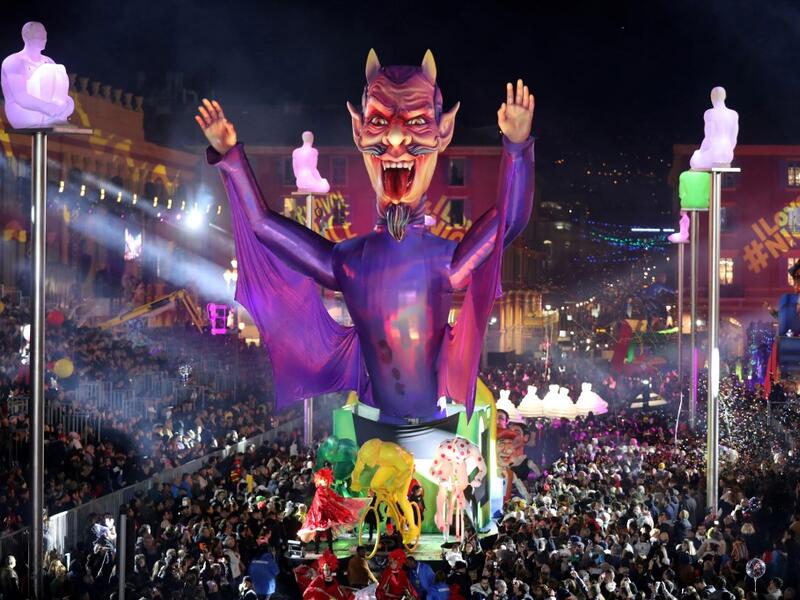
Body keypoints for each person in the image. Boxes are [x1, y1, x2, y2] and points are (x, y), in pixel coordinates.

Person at [297, 468, 366, 552]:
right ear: (319, 480)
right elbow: (320, 503)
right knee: (318, 533)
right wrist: (333, 505)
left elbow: (336, 498)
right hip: (319, 516)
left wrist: (346, 501)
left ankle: (330, 549)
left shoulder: (328, 490)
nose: (325, 481)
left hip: (326, 515)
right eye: (323, 480)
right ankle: (316, 549)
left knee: (328, 532)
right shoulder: (319, 491)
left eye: (326, 480)